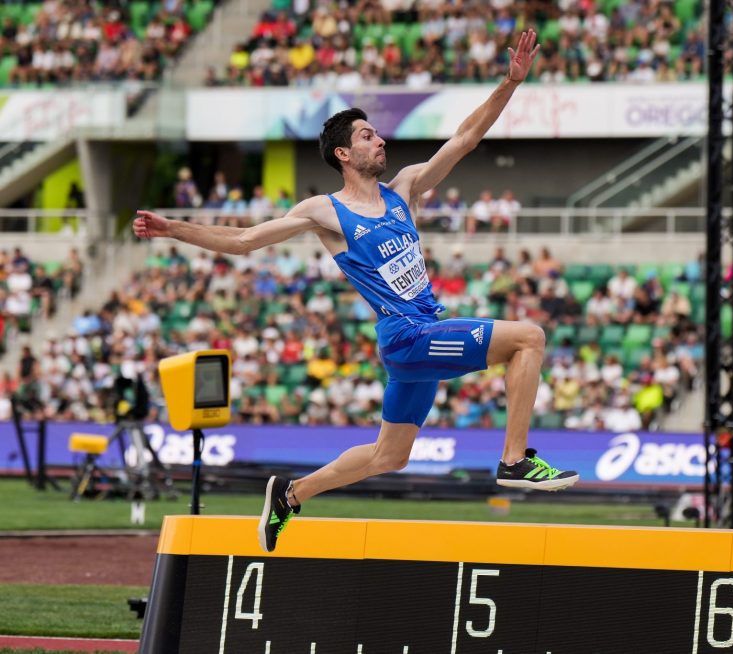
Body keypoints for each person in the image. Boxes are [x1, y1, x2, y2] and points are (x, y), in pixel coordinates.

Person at [132, 30, 578, 553]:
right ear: (344, 152)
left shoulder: (405, 188)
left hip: (421, 336)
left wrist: (510, 82)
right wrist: (174, 228)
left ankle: (291, 495)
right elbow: (245, 240)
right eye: (368, 135)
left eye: (378, 134)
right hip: (409, 336)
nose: (380, 140)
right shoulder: (326, 212)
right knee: (529, 337)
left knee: (390, 456)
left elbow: (465, 138)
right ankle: (514, 460)